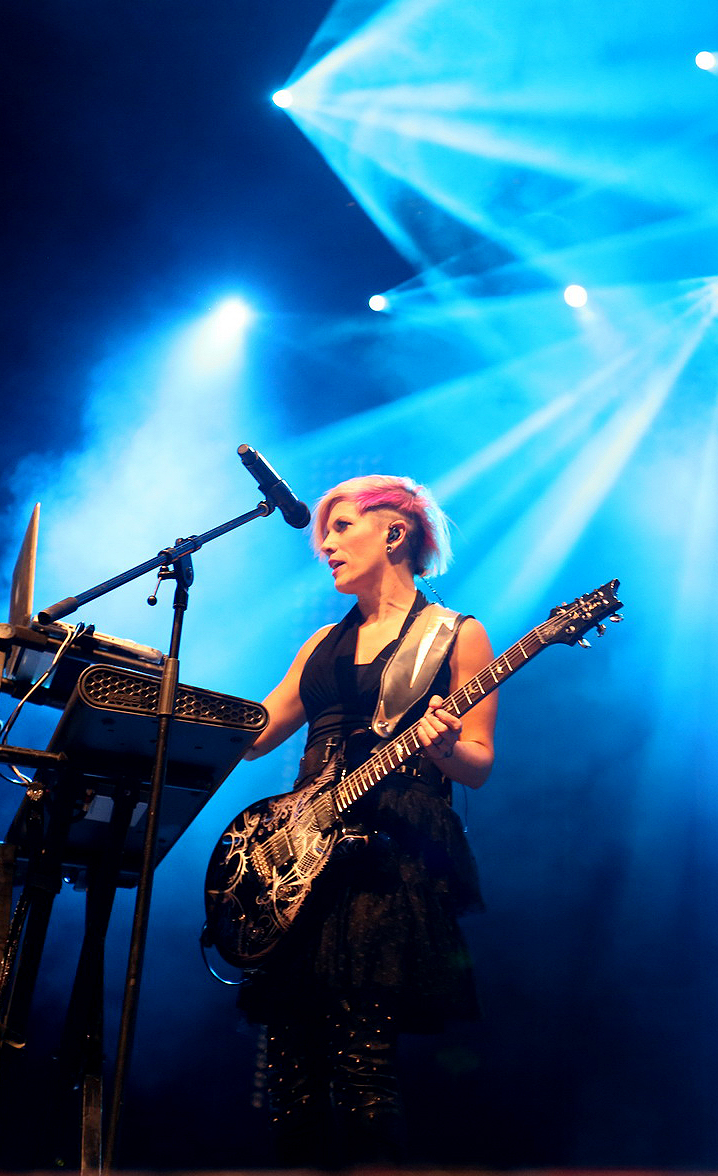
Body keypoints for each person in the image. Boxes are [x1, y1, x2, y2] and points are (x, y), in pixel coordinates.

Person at [238, 474, 496, 1165]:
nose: (325, 544)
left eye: (341, 527)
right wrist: (163, 701)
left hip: (385, 855)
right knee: (291, 1076)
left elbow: (477, 764)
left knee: (362, 1064)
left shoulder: (456, 635)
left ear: (394, 532)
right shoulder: (321, 643)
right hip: (301, 854)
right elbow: (256, 733)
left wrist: (442, 747)